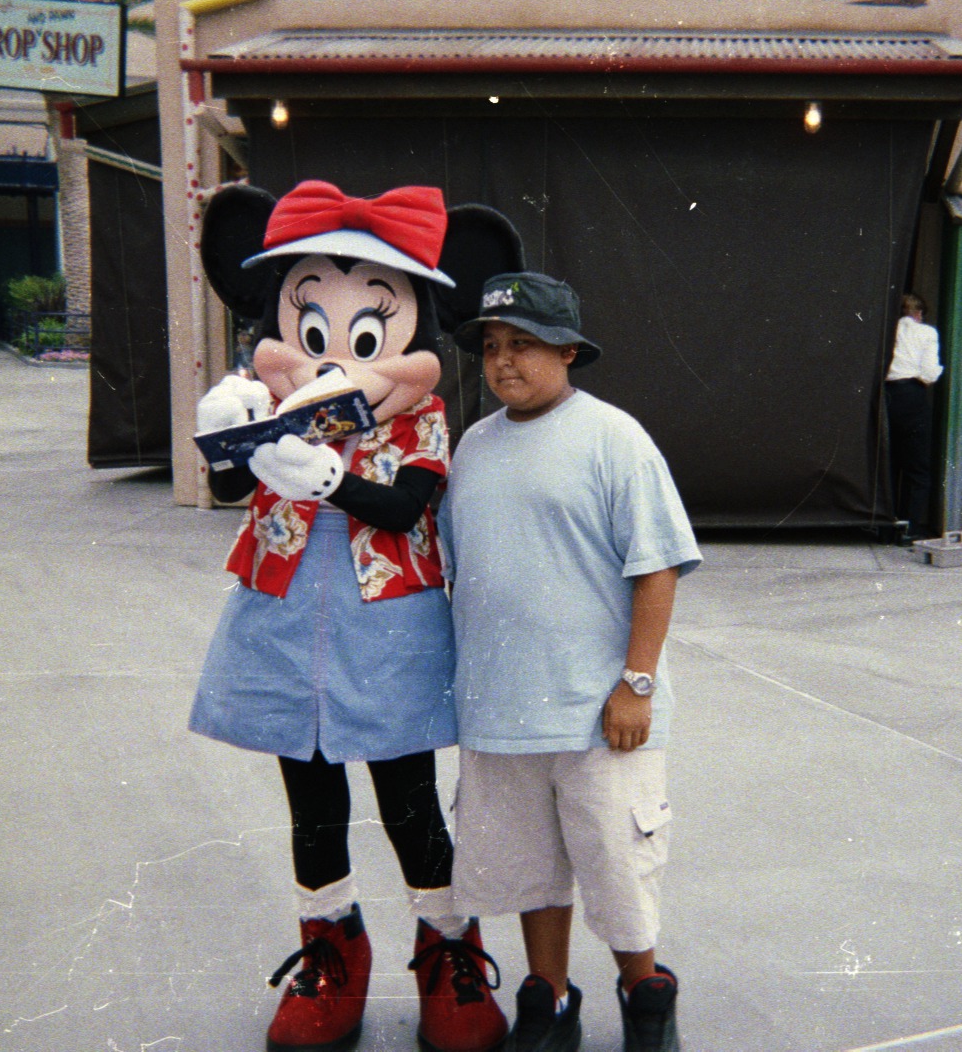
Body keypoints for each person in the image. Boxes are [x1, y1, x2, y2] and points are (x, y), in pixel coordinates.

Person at [189, 180, 513, 1052]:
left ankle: (447, 945)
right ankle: (332, 947)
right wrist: (225, 434)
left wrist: (330, 478)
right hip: (285, 619)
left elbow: (409, 508)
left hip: (390, 627)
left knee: (409, 798)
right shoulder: (272, 404)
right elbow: (227, 485)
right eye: (315, 326)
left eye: (365, 332)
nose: (336, 354)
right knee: (311, 796)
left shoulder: (424, 419)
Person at [439, 272, 702, 1052]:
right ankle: (547, 1002)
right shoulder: (474, 449)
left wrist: (636, 684)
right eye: (490, 347)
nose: (502, 362)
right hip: (499, 711)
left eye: (521, 344)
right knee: (526, 871)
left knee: (618, 871)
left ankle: (644, 999)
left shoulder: (614, 437)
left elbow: (657, 566)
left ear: (567, 350)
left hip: (599, 714)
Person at [884, 292, 944, 539]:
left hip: (886, 395)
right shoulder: (926, 332)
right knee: (917, 467)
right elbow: (929, 373)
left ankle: (884, 527)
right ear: (918, 314)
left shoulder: (887, 332)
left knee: (888, 463)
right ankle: (909, 528)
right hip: (911, 395)